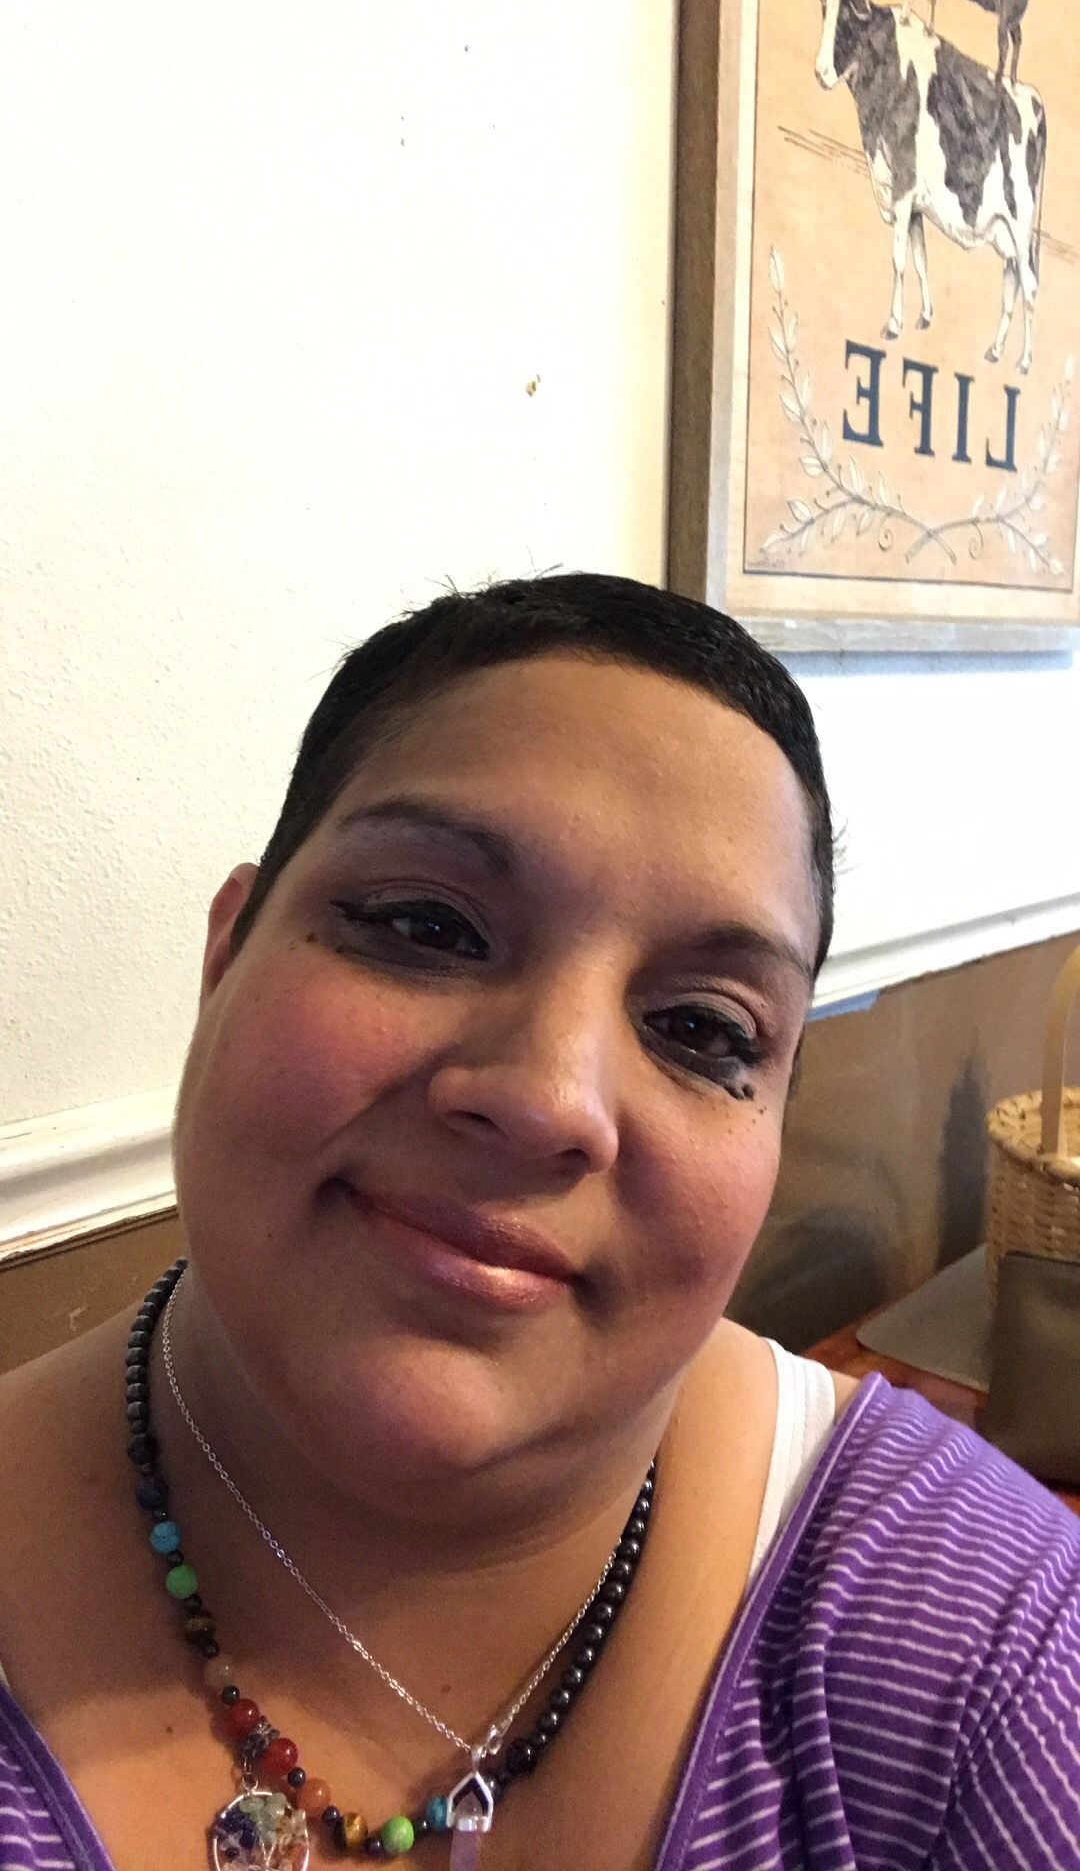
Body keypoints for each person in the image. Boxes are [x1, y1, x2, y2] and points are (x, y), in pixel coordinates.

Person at [0, 573, 1077, 1871]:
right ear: (226, 953)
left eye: (701, 1029)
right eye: (426, 925)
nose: (546, 1099)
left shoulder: (989, 1650)